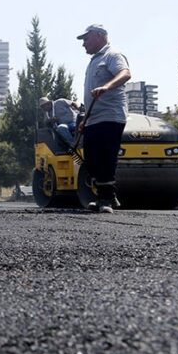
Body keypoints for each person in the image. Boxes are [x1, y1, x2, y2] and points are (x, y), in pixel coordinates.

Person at [78, 24, 131, 213]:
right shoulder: (93, 61)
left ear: (99, 36)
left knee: (105, 157)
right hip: (93, 118)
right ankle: (109, 195)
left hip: (110, 116)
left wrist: (107, 87)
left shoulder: (113, 55)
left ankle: (105, 200)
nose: (83, 43)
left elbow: (125, 73)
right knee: (91, 159)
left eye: (86, 38)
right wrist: (85, 119)